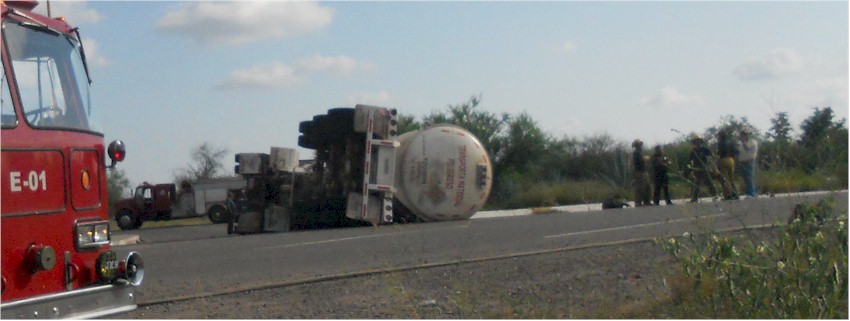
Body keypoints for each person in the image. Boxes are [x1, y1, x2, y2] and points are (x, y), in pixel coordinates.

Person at [687, 134, 717, 203]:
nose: (697, 142)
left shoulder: (704, 149)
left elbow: (712, 156)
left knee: (709, 182)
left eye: (699, 141)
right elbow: (690, 160)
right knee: (696, 183)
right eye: (696, 141)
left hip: (704, 168)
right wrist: (690, 167)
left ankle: (714, 195)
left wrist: (713, 163)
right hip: (696, 169)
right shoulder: (693, 151)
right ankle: (694, 198)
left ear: (701, 141)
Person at [716, 129, 739, 200]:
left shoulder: (721, 143)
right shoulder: (730, 142)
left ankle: (728, 195)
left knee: (725, 179)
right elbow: (736, 151)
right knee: (731, 178)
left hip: (723, 160)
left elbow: (720, 153)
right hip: (731, 160)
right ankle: (735, 194)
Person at [738, 129, 758, 197]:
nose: (742, 137)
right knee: (745, 178)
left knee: (749, 177)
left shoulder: (752, 142)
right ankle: (749, 192)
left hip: (749, 161)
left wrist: (743, 143)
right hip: (742, 162)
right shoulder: (740, 144)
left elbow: (748, 150)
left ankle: (752, 192)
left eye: (743, 135)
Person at [632, 139, 651, 207]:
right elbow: (641, 160)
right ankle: (638, 202)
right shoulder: (636, 153)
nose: (641, 145)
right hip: (639, 172)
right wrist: (645, 158)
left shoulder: (640, 152)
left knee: (647, 186)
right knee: (639, 187)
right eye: (640, 144)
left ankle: (646, 201)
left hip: (644, 171)